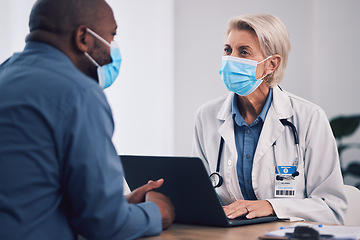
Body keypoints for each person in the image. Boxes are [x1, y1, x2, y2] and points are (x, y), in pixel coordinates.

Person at [0, 0, 174, 239]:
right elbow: (103, 224)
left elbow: (27, 195)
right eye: (111, 36)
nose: (113, 47)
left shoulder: (4, 75)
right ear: (83, 36)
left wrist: (120, 203)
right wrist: (156, 213)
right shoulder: (78, 93)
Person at [192, 13, 347, 224]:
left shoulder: (309, 117)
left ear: (271, 64)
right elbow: (199, 195)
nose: (230, 59)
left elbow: (332, 207)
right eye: (228, 50)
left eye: (243, 52)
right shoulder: (206, 116)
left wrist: (272, 206)